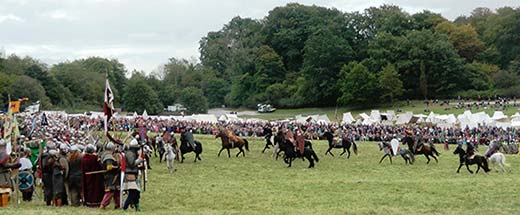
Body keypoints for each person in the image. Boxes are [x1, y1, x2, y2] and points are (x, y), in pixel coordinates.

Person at [100, 142, 121, 210]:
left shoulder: (106, 154)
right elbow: (109, 167)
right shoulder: (108, 156)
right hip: (110, 176)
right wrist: (117, 167)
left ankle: (118, 205)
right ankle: (103, 205)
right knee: (110, 191)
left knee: (117, 191)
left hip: (114, 176)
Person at [123, 139, 143, 211]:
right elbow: (131, 164)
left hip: (134, 174)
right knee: (133, 192)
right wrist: (139, 160)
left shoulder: (132, 153)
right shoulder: (130, 154)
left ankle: (137, 207)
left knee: (136, 193)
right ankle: (125, 206)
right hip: (130, 174)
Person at [0, 139, 21, 207]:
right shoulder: (2, 153)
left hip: (3, 173)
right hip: (2, 174)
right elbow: (4, 165)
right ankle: (3, 205)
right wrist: (15, 164)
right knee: (4, 190)